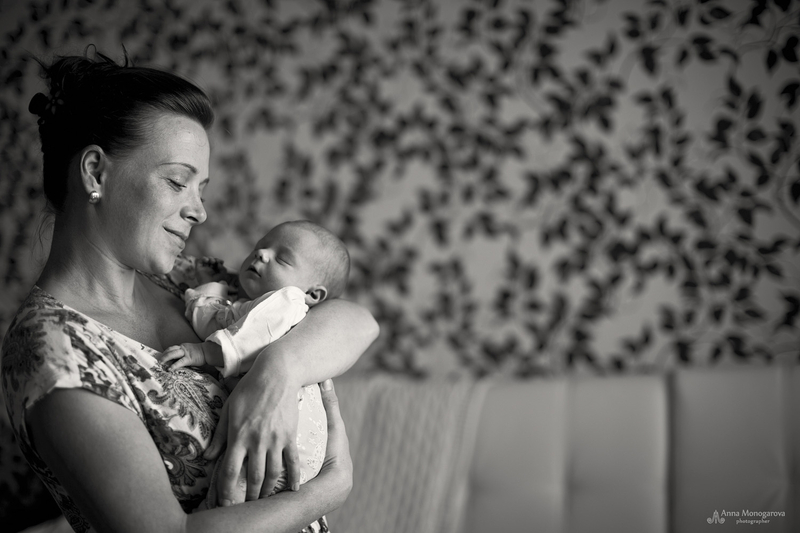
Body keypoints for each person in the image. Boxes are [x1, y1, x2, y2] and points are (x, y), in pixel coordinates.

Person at [1, 50, 378, 533]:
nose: (199, 211)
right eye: (178, 181)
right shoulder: (55, 353)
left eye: (202, 188)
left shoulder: (187, 280)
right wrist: (325, 493)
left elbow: (355, 320)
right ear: (95, 171)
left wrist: (277, 370)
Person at [159, 220, 351, 505]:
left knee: (232, 492)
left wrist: (203, 352)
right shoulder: (247, 304)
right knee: (237, 495)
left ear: (313, 294)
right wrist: (209, 289)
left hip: (291, 430)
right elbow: (216, 319)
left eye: (282, 258)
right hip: (295, 443)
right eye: (261, 246)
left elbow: (244, 338)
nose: (262, 254)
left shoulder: (288, 302)